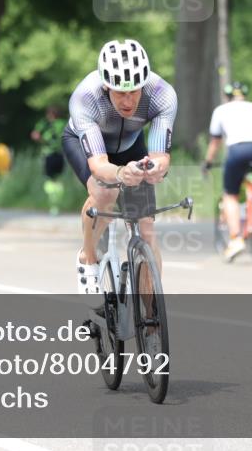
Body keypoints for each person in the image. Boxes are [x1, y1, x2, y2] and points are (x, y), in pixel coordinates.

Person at [62, 39, 175, 294]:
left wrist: (155, 168)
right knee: (106, 193)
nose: (128, 100)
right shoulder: (85, 97)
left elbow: (161, 156)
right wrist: (122, 173)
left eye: (135, 91)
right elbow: (99, 165)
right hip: (87, 145)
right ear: (105, 86)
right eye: (120, 92)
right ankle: (87, 259)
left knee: (146, 227)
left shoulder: (161, 94)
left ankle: (152, 319)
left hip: (131, 145)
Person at [202, 81, 252, 262]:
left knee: (230, 195)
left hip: (239, 150)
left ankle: (235, 239)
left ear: (227, 96)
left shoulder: (220, 110)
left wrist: (208, 162)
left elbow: (215, 142)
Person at [31, 106, 66, 215]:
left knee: (49, 180)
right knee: (58, 179)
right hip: (60, 154)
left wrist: (40, 139)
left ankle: (53, 204)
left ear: (50, 114)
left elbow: (35, 135)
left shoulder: (45, 124)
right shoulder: (64, 123)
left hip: (49, 154)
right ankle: (58, 202)